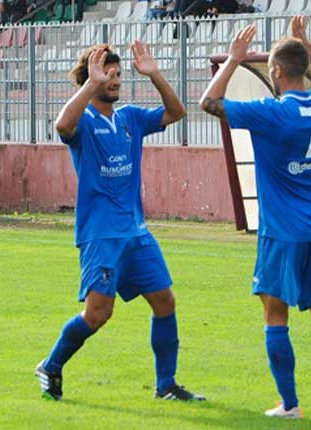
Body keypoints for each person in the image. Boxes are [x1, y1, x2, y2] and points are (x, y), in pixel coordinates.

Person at [198, 17, 311, 422]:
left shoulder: (271, 112)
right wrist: (308, 43)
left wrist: (233, 60)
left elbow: (208, 103)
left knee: (275, 314)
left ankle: (290, 404)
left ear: (277, 71)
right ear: (304, 67)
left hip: (281, 231)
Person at [36, 41, 204, 402]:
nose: (116, 80)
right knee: (97, 315)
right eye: (109, 75)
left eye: (117, 74)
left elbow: (176, 112)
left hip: (136, 231)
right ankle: (50, 365)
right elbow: (62, 125)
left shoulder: (129, 118)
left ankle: (166, 386)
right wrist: (90, 85)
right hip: (102, 234)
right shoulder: (84, 121)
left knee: (165, 301)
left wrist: (154, 73)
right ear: (92, 78)